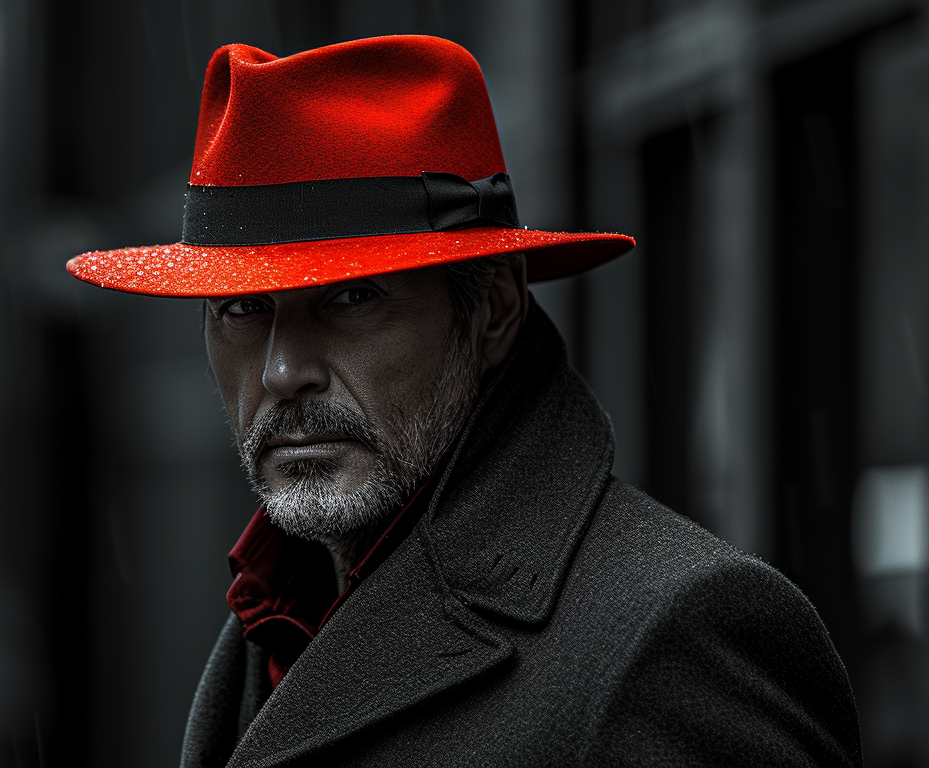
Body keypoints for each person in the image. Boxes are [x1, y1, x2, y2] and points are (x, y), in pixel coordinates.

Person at [66, 35, 860, 766]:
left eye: (349, 300)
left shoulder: (674, 636)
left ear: (492, 311)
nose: (281, 372)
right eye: (243, 310)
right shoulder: (283, 609)